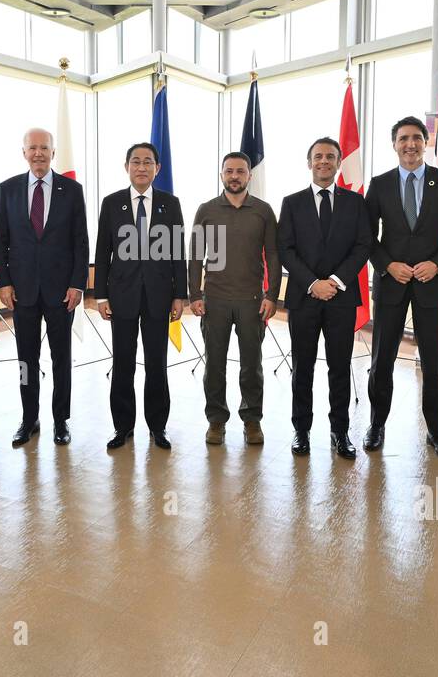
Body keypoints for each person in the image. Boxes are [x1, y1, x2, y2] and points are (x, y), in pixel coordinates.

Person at [363, 116, 438, 459]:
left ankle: (437, 431)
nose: (410, 144)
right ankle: (377, 424)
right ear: (394, 144)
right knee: (382, 360)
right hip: (391, 283)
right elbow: (366, 236)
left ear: (426, 143)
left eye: (416, 138)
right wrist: (387, 264)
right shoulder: (378, 185)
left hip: (431, 284)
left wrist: (437, 264)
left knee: (434, 363)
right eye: (403, 138)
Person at [277, 137, 372, 460]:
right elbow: (285, 249)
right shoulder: (291, 203)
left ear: (338, 162)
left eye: (330, 157)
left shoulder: (355, 202)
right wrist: (312, 283)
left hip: (341, 298)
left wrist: (333, 280)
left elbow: (363, 246)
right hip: (304, 298)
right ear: (309, 163)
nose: (324, 162)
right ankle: (301, 431)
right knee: (302, 367)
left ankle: (340, 431)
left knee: (339, 367)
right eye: (318, 156)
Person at [0, 128, 88, 447]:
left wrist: (78, 285)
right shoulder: (8, 190)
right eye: (32, 148)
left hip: (62, 293)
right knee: (25, 360)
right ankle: (28, 418)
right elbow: (0, 240)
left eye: (43, 148)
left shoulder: (72, 190)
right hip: (22, 292)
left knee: (62, 358)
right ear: (23, 152)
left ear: (53, 152)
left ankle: (61, 420)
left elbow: (80, 242)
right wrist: (2, 282)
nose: (38, 153)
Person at [94, 143, 187, 451]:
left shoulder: (169, 204)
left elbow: (177, 252)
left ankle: (158, 427)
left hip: (159, 296)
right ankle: (123, 427)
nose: (142, 167)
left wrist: (180, 295)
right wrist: (101, 296)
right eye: (136, 161)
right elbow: (102, 252)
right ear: (127, 167)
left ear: (157, 168)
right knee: (122, 363)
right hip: (121, 295)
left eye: (148, 162)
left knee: (157, 363)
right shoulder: (111, 203)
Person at [188, 152, 280, 446]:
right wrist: (194, 294)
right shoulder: (206, 210)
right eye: (229, 171)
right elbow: (195, 256)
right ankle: (216, 420)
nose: (235, 176)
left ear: (249, 175)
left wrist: (272, 295)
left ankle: (252, 420)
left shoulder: (263, 211)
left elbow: (274, 255)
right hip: (215, 300)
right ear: (221, 175)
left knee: (251, 365)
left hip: (252, 301)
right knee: (214, 364)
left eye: (241, 171)